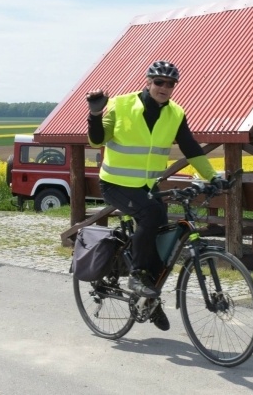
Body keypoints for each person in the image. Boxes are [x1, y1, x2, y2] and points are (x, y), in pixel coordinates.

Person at [86, 60, 229, 332]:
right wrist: (94, 114)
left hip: (146, 185)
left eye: (171, 84)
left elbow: (190, 146)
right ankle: (138, 276)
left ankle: (150, 300)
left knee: (161, 231)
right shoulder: (120, 104)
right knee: (150, 214)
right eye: (159, 82)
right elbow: (96, 140)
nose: (165, 88)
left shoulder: (175, 113)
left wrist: (213, 177)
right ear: (148, 82)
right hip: (115, 184)